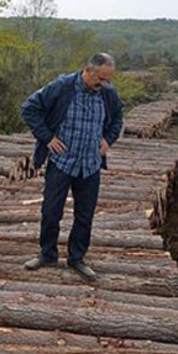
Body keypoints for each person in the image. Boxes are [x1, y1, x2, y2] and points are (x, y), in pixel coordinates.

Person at [20, 53, 124, 282]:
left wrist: (108, 140)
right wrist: (47, 137)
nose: (105, 84)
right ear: (89, 71)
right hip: (61, 162)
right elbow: (29, 109)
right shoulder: (62, 87)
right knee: (50, 211)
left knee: (84, 215)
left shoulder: (107, 93)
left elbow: (118, 118)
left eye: (108, 79)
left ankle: (77, 258)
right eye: (101, 79)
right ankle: (47, 255)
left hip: (90, 165)